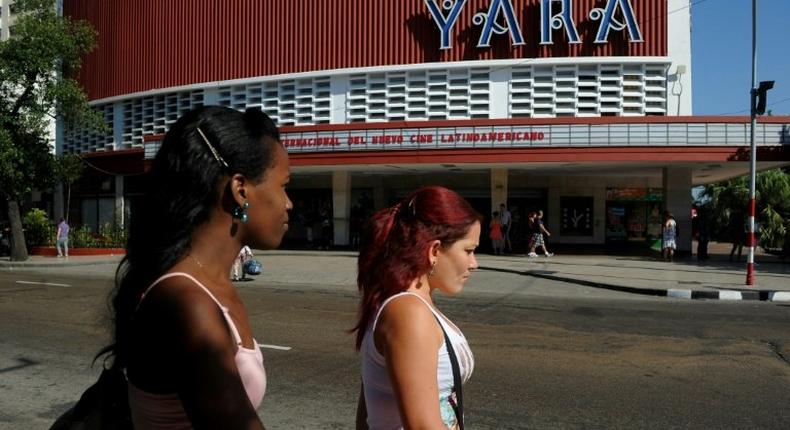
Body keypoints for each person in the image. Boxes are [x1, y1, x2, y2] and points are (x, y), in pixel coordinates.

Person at [95, 105, 292, 429]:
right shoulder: (187, 302)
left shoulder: (211, 288)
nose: (288, 203)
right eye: (284, 186)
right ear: (240, 190)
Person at [353, 186, 480, 430]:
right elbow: (423, 426)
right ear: (434, 251)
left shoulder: (406, 304)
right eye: (469, 250)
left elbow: (366, 414)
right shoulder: (408, 312)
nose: (474, 263)